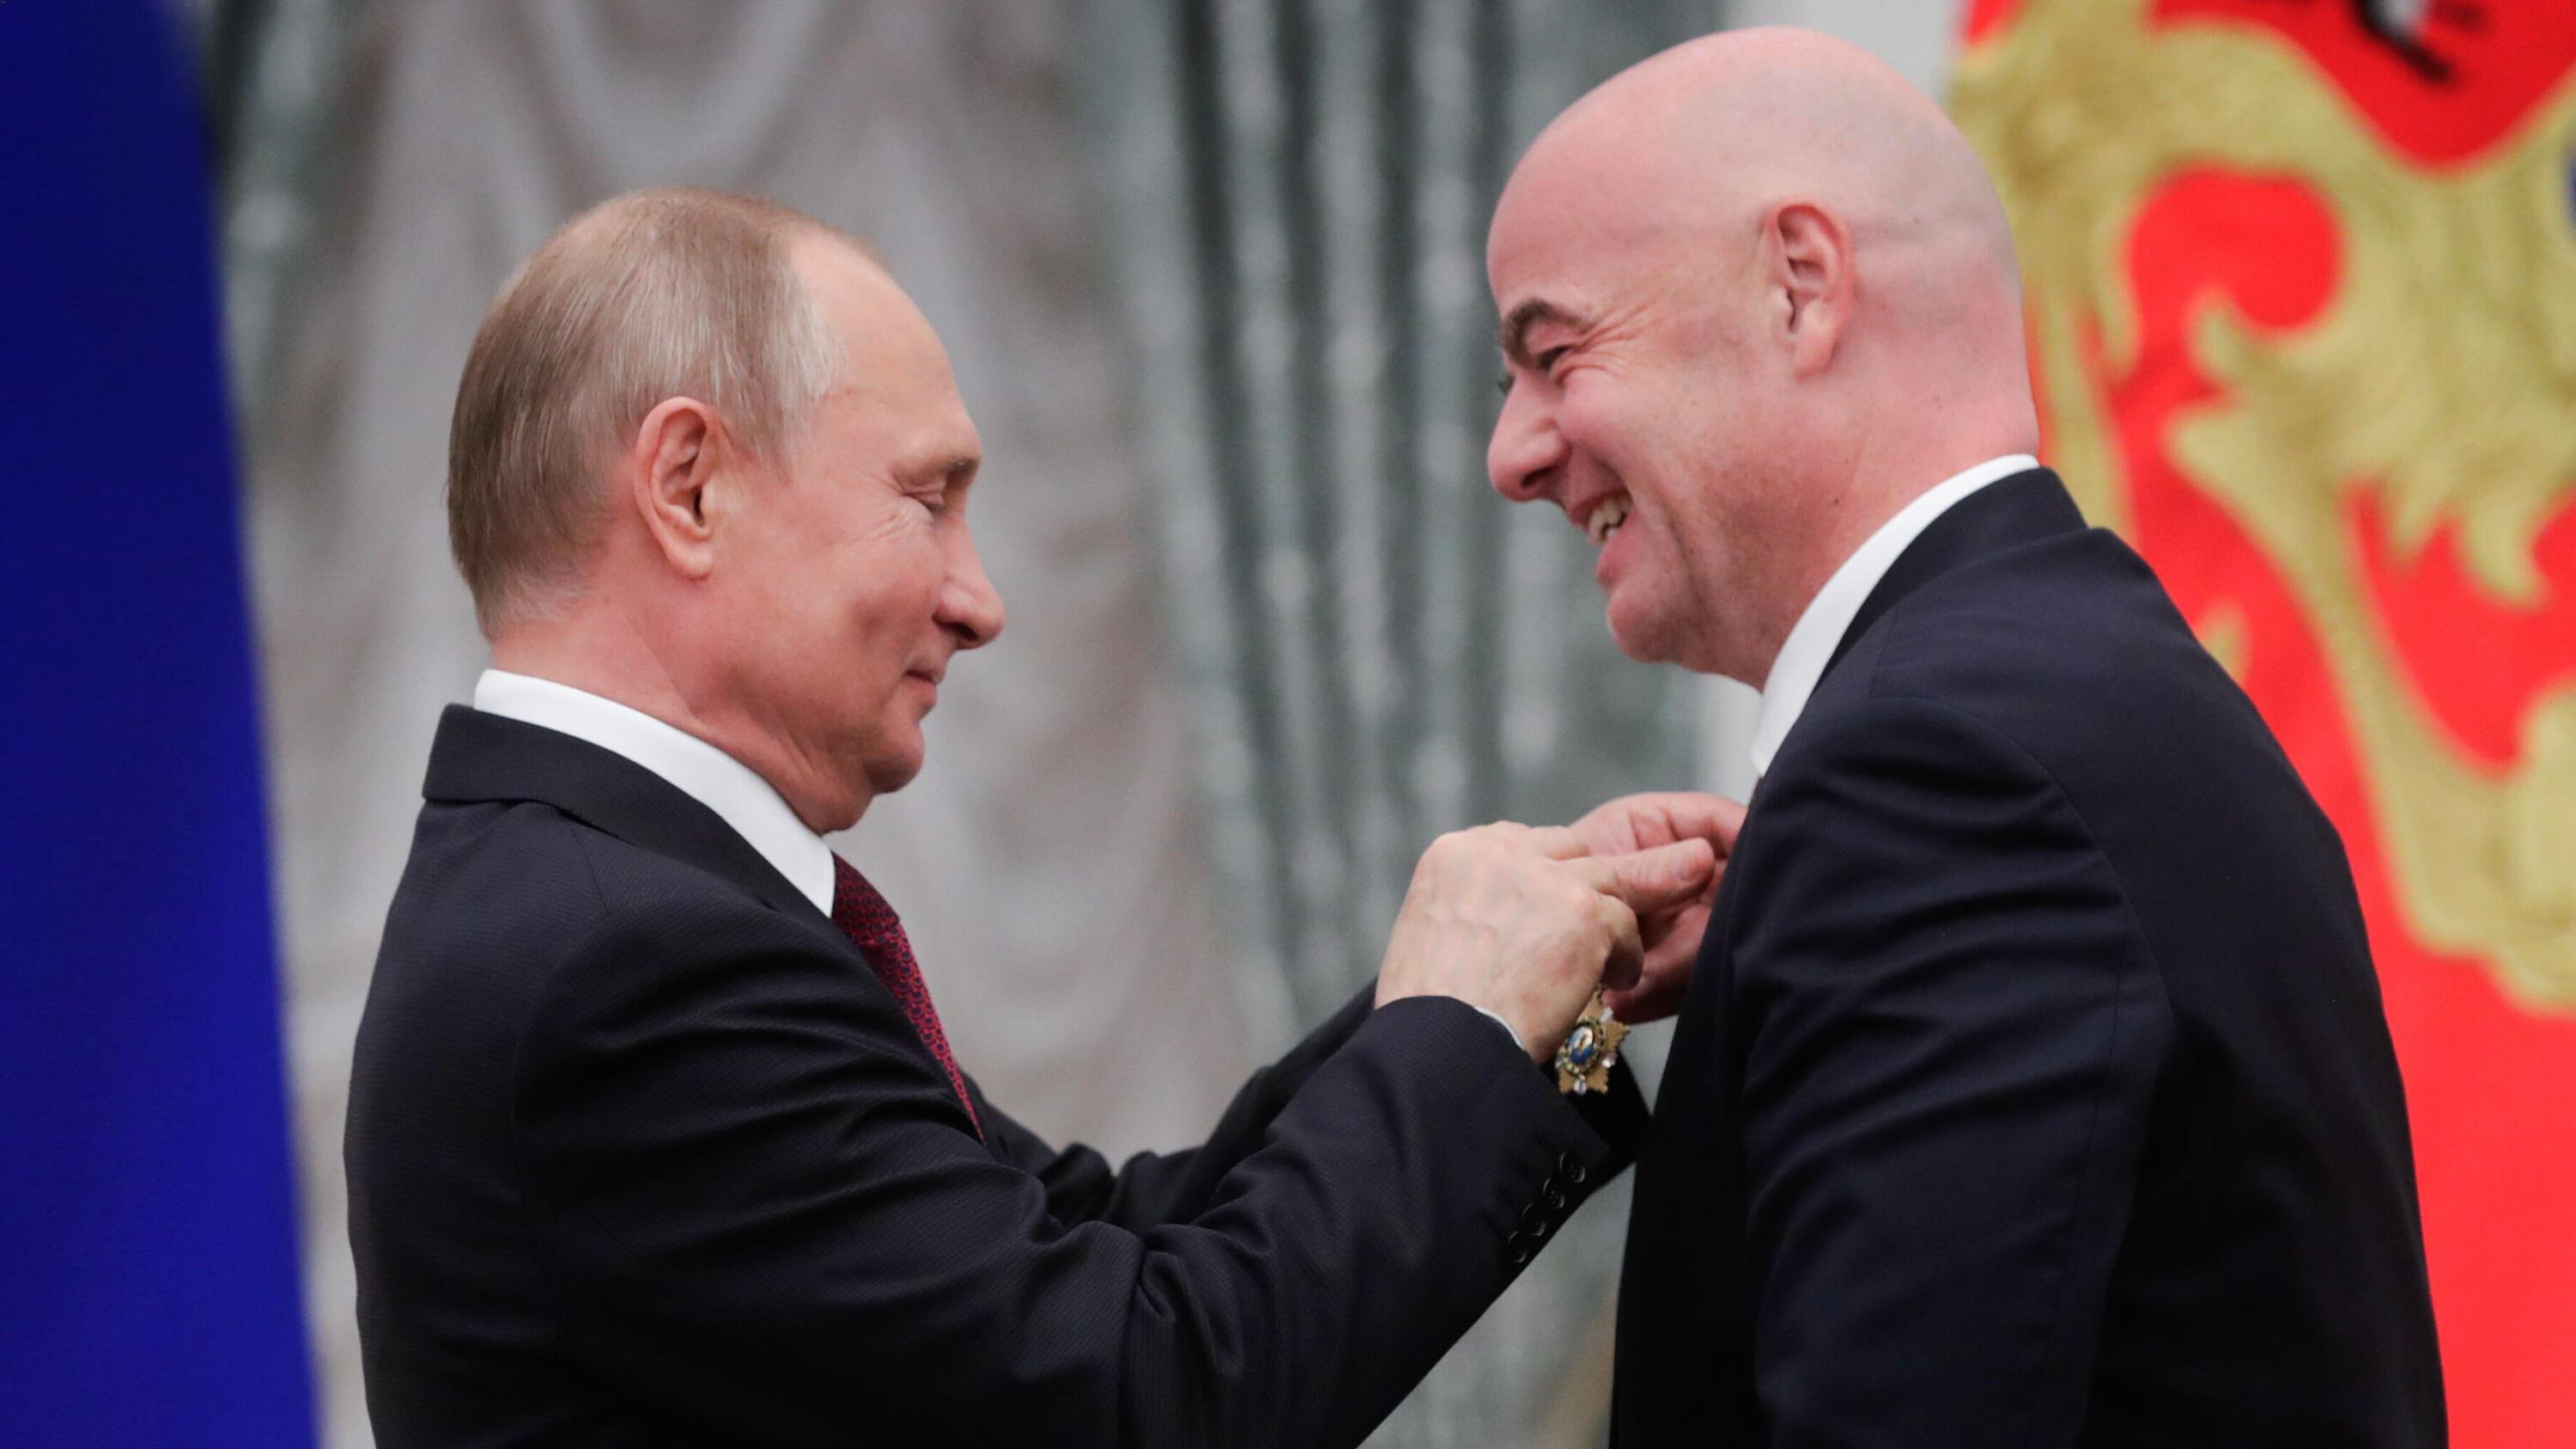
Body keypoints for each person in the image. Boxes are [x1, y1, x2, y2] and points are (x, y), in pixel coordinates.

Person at [346, 187, 1738, 1447]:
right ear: (689, 487)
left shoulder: (599, 903)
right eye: (926, 498)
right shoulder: (631, 963)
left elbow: (1106, 1244)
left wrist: (1543, 992)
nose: (980, 600)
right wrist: (1466, 1022)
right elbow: (1149, 1397)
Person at [1485, 28, 2445, 1447]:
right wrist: (1563, 1023)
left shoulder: (1935, 775)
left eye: (1557, 354)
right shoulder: (2056, 698)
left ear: (1800, 286)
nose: (1512, 454)